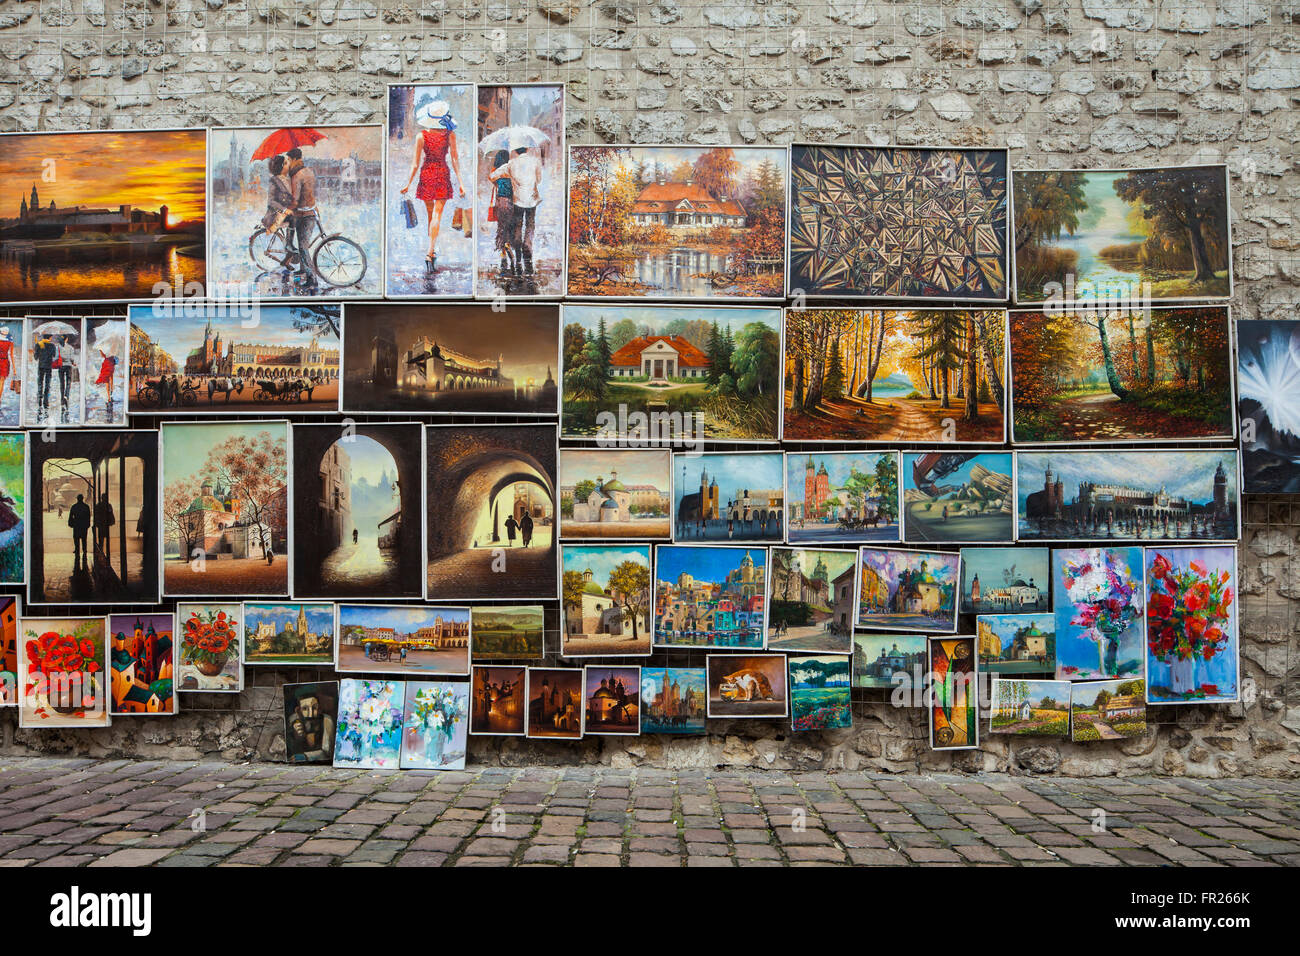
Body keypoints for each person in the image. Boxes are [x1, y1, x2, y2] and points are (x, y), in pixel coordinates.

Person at [399, 99, 466, 273]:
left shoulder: (421, 136)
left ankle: (431, 250)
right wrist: (461, 183)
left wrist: (408, 184)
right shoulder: (450, 135)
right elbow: (455, 159)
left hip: (427, 173)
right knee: (437, 215)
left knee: (431, 215)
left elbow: (415, 164)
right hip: (442, 173)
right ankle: (430, 251)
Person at [488, 138, 542, 276]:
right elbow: (539, 179)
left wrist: (508, 179)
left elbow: (493, 176)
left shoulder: (511, 163)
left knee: (518, 225)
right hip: (532, 199)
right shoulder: (535, 161)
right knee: (530, 225)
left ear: (515, 150)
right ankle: (528, 250)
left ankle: (518, 258)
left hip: (518, 200)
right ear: (527, 148)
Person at [285, 147, 318, 281]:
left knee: (303, 248)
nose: (288, 163)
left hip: (304, 216)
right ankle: (303, 270)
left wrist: (286, 209)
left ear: (294, 159)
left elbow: (295, 200)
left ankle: (312, 279)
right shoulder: (309, 171)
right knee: (301, 244)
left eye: (288, 160)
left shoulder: (297, 176)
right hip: (311, 212)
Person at [488, 148, 517, 277]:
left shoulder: (498, 172)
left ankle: (503, 255)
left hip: (500, 202)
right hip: (511, 202)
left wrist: (494, 169)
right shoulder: (510, 169)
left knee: (501, 228)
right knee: (510, 227)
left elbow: (491, 178)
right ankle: (508, 246)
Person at [261, 154, 294, 239]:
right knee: (295, 219)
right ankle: (289, 245)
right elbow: (271, 201)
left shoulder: (288, 179)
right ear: (281, 167)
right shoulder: (274, 181)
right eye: (286, 163)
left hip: (285, 212)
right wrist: (284, 209)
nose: (289, 165)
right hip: (276, 215)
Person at [33, 332, 55, 419]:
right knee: (47, 384)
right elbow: (54, 356)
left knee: (40, 383)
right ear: (50, 338)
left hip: (41, 366)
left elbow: (35, 357)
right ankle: (46, 401)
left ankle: (39, 399)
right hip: (48, 367)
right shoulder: (52, 346)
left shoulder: (39, 344)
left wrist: (36, 349)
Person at [68, 494, 91, 568]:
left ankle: (77, 549)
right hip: (83, 525)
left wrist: (71, 523)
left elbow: (71, 516)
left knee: (76, 538)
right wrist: (88, 524)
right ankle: (84, 550)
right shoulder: (86, 507)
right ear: (82, 499)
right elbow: (88, 516)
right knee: (84, 539)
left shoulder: (74, 507)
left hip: (77, 525)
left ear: (77, 499)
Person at [54, 334, 74, 420]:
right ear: (67, 339)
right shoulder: (70, 348)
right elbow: (72, 358)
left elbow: (56, 357)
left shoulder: (58, 347)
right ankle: (67, 396)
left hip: (61, 366)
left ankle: (62, 398)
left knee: (62, 383)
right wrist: (72, 362)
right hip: (68, 366)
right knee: (68, 382)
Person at [94, 347, 118, 414]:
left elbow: (104, 355)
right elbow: (105, 356)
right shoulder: (112, 354)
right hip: (110, 366)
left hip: (106, 367)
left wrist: (100, 350)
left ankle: (109, 397)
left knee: (107, 381)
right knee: (110, 379)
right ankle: (110, 394)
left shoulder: (107, 354)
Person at [94, 492, 115, 561]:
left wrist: (96, 522)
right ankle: (104, 550)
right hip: (105, 524)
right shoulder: (108, 505)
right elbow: (111, 513)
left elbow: (96, 514)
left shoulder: (98, 505)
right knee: (106, 537)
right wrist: (112, 521)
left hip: (101, 524)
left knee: (101, 538)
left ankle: (101, 550)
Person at [0, 327, 13, 414]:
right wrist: (14, 369)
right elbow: (11, 355)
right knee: (2, 382)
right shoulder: (9, 342)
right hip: (4, 361)